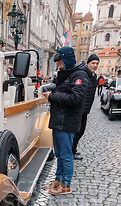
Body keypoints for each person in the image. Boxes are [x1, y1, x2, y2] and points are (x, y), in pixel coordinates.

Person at [41, 46, 88, 195]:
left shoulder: (79, 75)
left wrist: (52, 97)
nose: (59, 66)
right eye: (58, 64)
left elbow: (75, 98)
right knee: (59, 154)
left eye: (61, 63)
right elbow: (64, 92)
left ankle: (66, 184)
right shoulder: (67, 74)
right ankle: (58, 180)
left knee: (66, 155)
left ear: (67, 60)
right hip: (59, 120)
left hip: (67, 122)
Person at [73, 54, 99, 161]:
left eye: (97, 63)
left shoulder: (93, 76)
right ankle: (71, 151)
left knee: (80, 131)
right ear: (88, 63)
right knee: (77, 131)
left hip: (85, 110)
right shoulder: (83, 74)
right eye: (93, 63)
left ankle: (72, 149)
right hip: (80, 109)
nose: (95, 65)